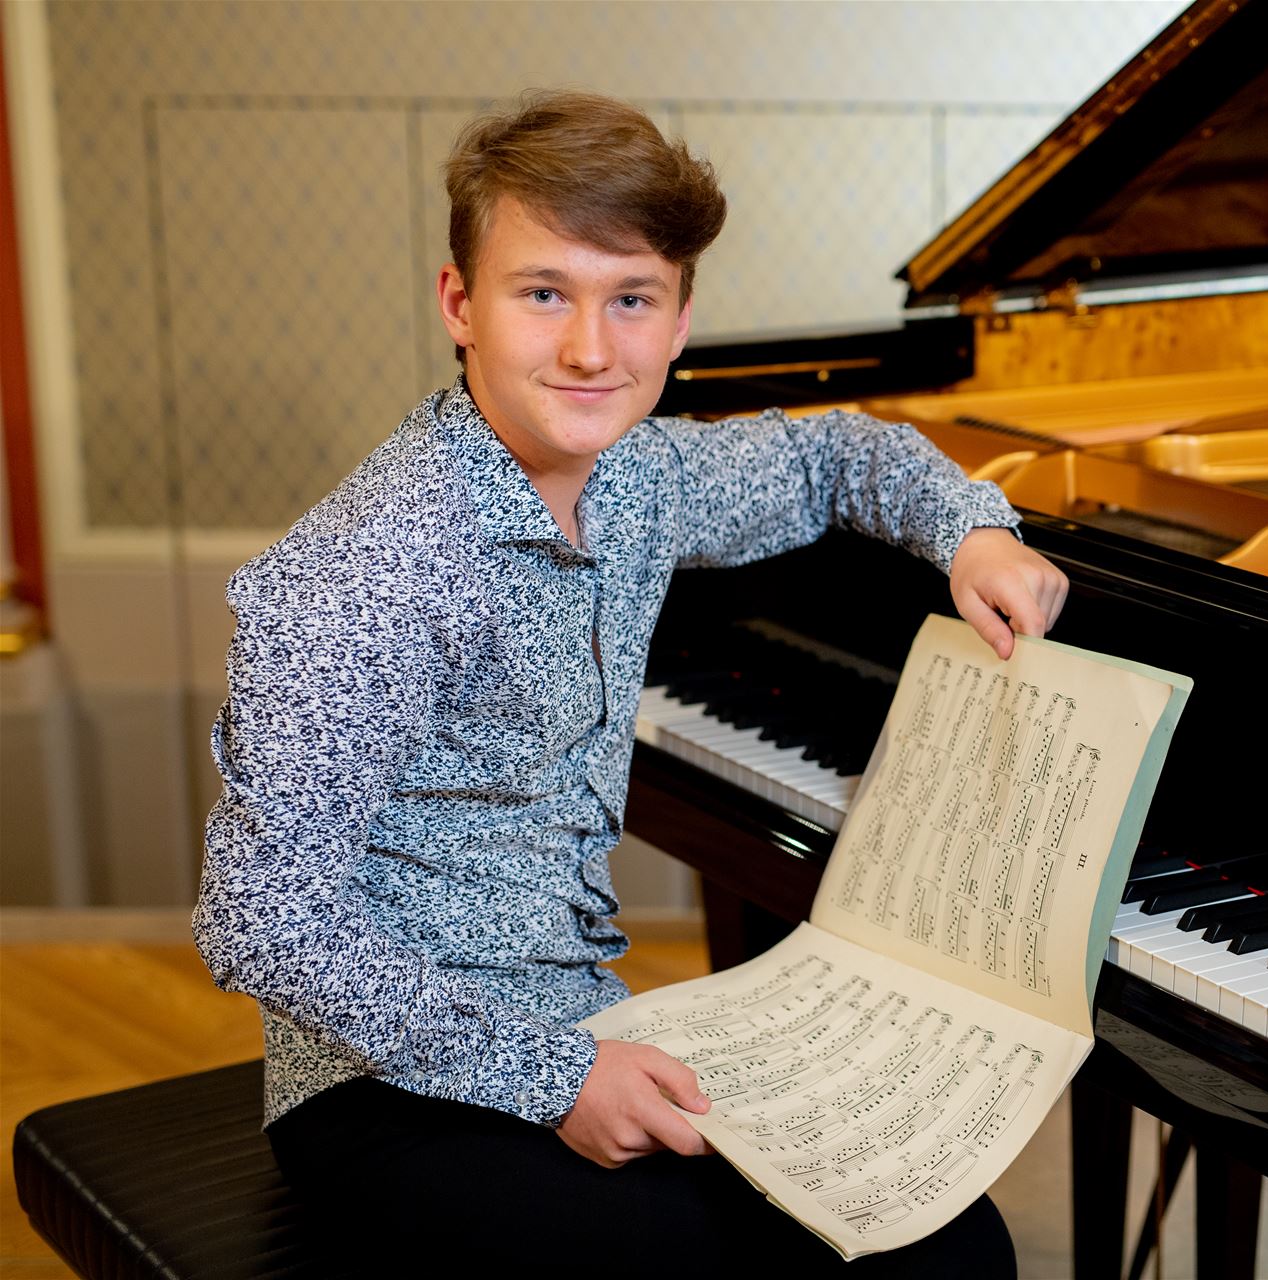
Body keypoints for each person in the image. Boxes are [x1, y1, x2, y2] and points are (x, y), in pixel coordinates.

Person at [192, 89, 1066, 1274]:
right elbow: (260, 920)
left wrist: (973, 528)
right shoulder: (371, 571)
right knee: (895, 1265)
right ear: (459, 303)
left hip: (585, 1009)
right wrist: (557, 1078)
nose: (591, 349)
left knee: (939, 1232)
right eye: (544, 293)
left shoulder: (637, 478)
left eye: (632, 299)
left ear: (680, 318)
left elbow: (828, 455)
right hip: (385, 1088)